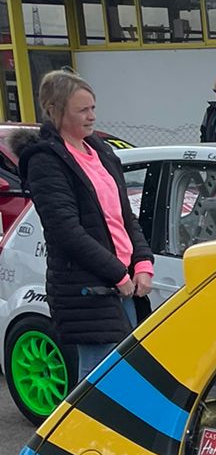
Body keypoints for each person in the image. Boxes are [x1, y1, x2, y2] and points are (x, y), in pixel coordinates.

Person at [18, 70, 154, 380]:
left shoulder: (101, 152)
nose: (92, 116)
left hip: (122, 286)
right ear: (56, 110)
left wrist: (142, 261)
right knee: (98, 384)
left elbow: (124, 216)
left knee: (125, 378)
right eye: (83, 110)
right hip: (87, 290)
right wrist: (117, 273)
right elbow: (65, 231)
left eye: (93, 108)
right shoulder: (45, 160)